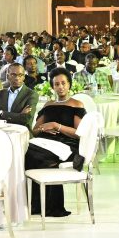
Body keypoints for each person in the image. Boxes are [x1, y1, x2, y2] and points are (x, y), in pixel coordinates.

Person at [25, 68, 86, 217]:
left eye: (63, 83)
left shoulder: (76, 105)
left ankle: (53, 206)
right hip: (46, 142)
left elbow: (79, 134)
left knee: (40, 157)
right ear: (52, 87)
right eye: (57, 84)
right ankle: (34, 205)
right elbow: (35, 130)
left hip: (68, 146)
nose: (60, 87)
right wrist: (43, 128)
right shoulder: (48, 105)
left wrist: (56, 125)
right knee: (26, 152)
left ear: (69, 84)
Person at [0, 63, 36, 129]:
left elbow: (26, 119)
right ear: (7, 76)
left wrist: (3, 113)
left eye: (20, 75)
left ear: (24, 77)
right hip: (1, 131)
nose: (17, 78)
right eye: (13, 75)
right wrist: (19, 115)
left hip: (21, 132)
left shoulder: (31, 94)